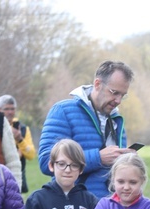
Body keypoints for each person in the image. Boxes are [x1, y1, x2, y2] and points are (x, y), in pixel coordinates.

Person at [39, 60, 137, 199]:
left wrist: (127, 161)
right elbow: (46, 162)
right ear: (97, 84)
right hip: (74, 207)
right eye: (114, 92)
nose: (118, 100)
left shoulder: (117, 120)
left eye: (122, 95)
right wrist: (98, 158)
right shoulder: (63, 111)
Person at [0, 94, 36, 193]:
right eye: (6, 109)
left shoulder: (23, 129)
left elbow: (31, 155)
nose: (10, 112)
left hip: (17, 177)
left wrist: (20, 140)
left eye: (12, 109)